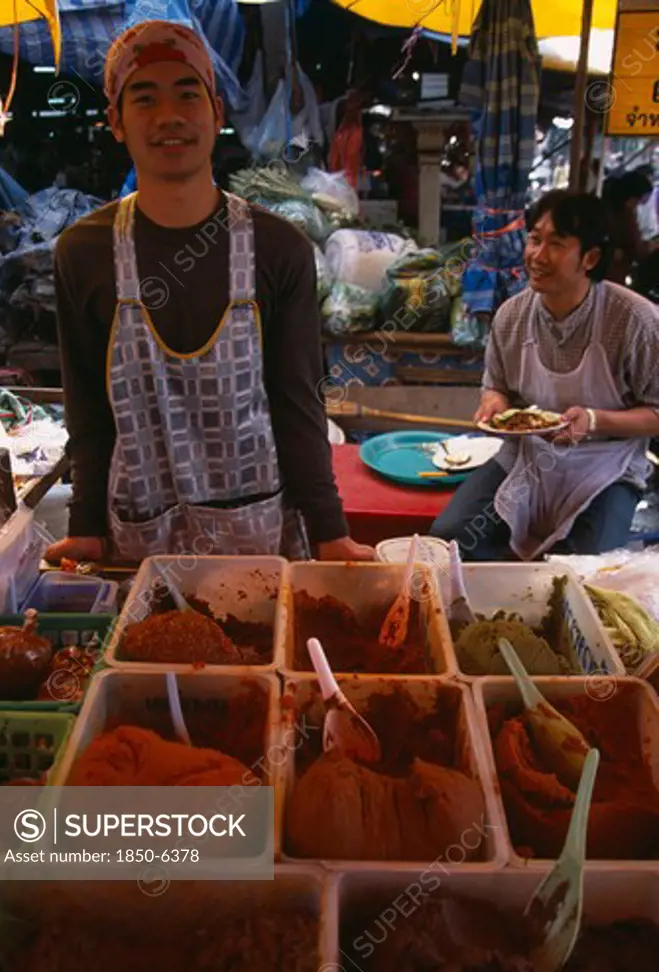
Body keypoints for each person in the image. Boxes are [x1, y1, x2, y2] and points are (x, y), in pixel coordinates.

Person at [46, 20, 373, 565]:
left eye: (187, 94)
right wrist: (85, 525)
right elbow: (87, 406)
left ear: (217, 113)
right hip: (138, 539)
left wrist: (329, 530)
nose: (169, 116)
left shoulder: (279, 249)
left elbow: (297, 402)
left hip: (256, 533)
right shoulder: (82, 253)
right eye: (144, 99)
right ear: (116, 122)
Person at [430, 189, 659, 561]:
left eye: (556, 244)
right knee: (453, 538)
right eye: (535, 239)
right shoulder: (512, 316)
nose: (537, 255)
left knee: (583, 566)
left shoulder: (636, 320)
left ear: (591, 257)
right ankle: (506, 605)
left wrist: (594, 420)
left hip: (607, 465)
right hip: (527, 456)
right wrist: (494, 406)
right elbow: (496, 386)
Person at [602, 170, 658, 286]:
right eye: (638, 202)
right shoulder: (624, 215)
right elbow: (635, 248)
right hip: (613, 274)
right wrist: (649, 247)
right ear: (631, 198)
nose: (636, 207)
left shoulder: (608, 206)